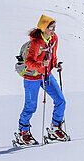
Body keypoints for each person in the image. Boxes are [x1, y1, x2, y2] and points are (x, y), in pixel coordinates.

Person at [14, 14, 68, 145]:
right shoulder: (36, 42)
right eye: (51, 27)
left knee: (61, 100)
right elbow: (29, 62)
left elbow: (53, 54)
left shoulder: (54, 38)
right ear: (43, 28)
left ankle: (55, 129)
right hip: (31, 76)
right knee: (30, 107)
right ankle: (23, 133)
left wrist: (54, 64)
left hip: (46, 75)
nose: (53, 30)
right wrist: (40, 65)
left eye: (54, 27)